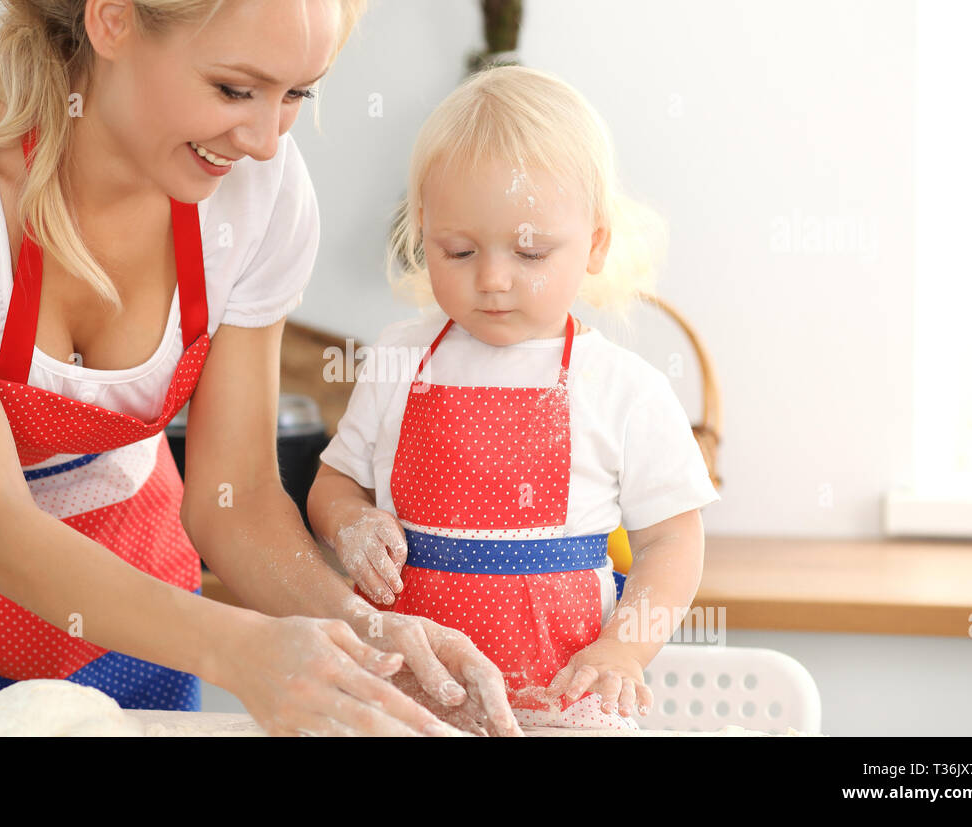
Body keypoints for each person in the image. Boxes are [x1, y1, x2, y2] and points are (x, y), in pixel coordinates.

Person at [0, 0, 522, 737]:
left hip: (145, 620)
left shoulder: (263, 189)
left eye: (296, 95)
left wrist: (365, 634)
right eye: (233, 89)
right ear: (113, 19)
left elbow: (238, 496)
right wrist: (241, 646)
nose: (261, 141)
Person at [308, 65, 721, 728]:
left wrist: (624, 647)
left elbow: (673, 538)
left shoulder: (622, 386)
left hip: (562, 690)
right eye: (460, 249)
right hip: (409, 686)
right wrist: (347, 523)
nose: (494, 279)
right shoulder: (399, 357)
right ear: (422, 229)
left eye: (530, 255)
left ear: (594, 244)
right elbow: (333, 484)